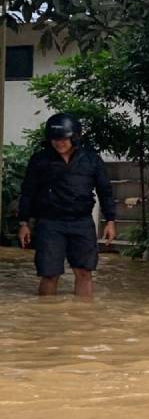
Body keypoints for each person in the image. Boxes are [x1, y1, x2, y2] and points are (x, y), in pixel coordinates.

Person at [16, 113, 116, 298]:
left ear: (74, 137)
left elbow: (105, 191)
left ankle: (83, 319)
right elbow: (28, 192)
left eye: (63, 139)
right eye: (55, 139)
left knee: (84, 272)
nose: (59, 143)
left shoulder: (91, 159)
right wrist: (23, 223)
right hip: (50, 223)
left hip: (81, 222)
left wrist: (110, 220)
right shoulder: (40, 160)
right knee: (49, 274)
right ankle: (47, 319)